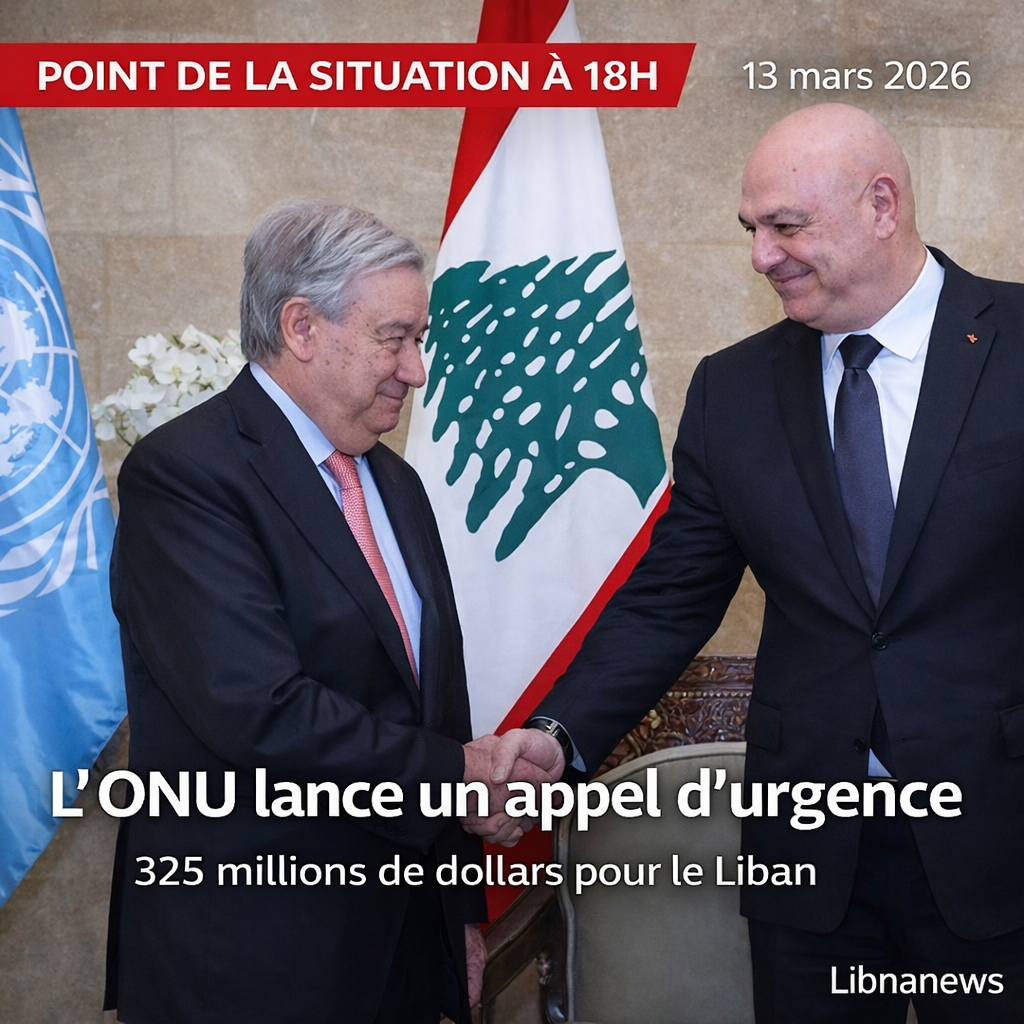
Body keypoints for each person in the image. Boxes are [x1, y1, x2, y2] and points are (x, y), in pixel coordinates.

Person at [482, 104, 1024, 1021]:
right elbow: (670, 596)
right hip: (812, 862)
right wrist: (559, 736)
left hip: (1000, 836)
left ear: (881, 205)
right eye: (752, 230)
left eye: (787, 226)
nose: (762, 256)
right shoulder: (732, 388)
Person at [103, 199, 562, 1024]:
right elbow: (259, 710)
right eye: (395, 338)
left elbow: (432, 705)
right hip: (253, 953)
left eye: (419, 340)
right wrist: (461, 775)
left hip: (404, 942)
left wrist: (458, 916)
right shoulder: (186, 475)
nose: (416, 370)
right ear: (302, 326)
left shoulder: (395, 482)